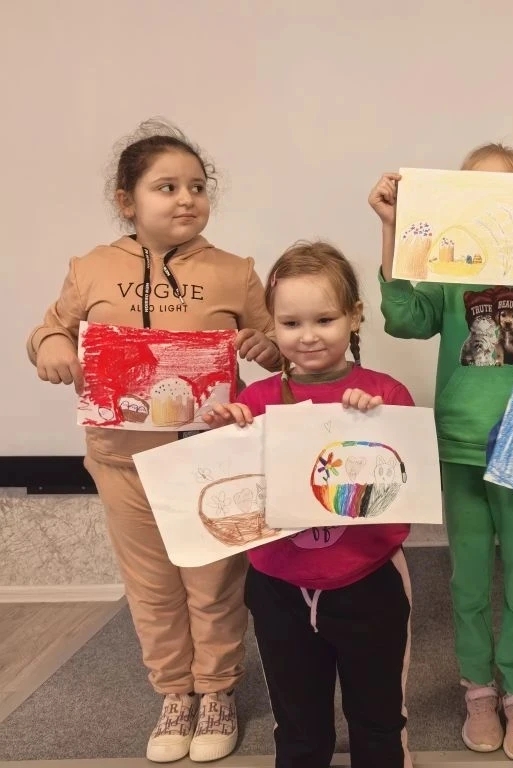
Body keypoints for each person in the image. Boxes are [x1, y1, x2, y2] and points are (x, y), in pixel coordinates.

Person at [27, 119, 279, 763]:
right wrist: (52, 348)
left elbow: (281, 347)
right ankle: (175, 693)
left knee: (213, 584)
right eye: (166, 187)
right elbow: (50, 331)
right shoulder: (90, 269)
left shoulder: (234, 272)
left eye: (197, 186)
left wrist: (267, 346)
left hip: (209, 459)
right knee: (154, 588)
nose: (186, 199)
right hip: (122, 462)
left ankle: (217, 690)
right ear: (127, 200)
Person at [368, 144, 513, 760]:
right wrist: (392, 227)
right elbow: (403, 318)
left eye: (506, 193)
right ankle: (478, 691)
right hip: (461, 445)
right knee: (468, 580)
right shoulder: (448, 269)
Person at [204, 240, 414, 768]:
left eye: (325, 319)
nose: (308, 335)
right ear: (272, 326)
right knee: (298, 727)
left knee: (378, 721)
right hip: (278, 586)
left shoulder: (386, 396)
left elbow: (404, 484)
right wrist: (226, 436)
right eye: (291, 323)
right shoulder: (254, 403)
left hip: (367, 582)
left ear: (355, 316)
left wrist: (378, 426)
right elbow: (231, 490)